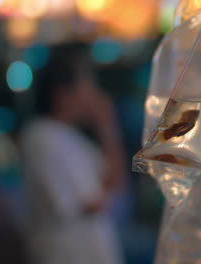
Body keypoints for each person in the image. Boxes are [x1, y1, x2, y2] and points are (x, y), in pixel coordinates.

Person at [20, 43, 125, 264]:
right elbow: (92, 203)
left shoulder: (73, 139)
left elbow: (116, 182)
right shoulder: (42, 137)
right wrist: (106, 123)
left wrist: (107, 126)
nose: (92, 97)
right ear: (61, 93)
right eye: (86, 88)